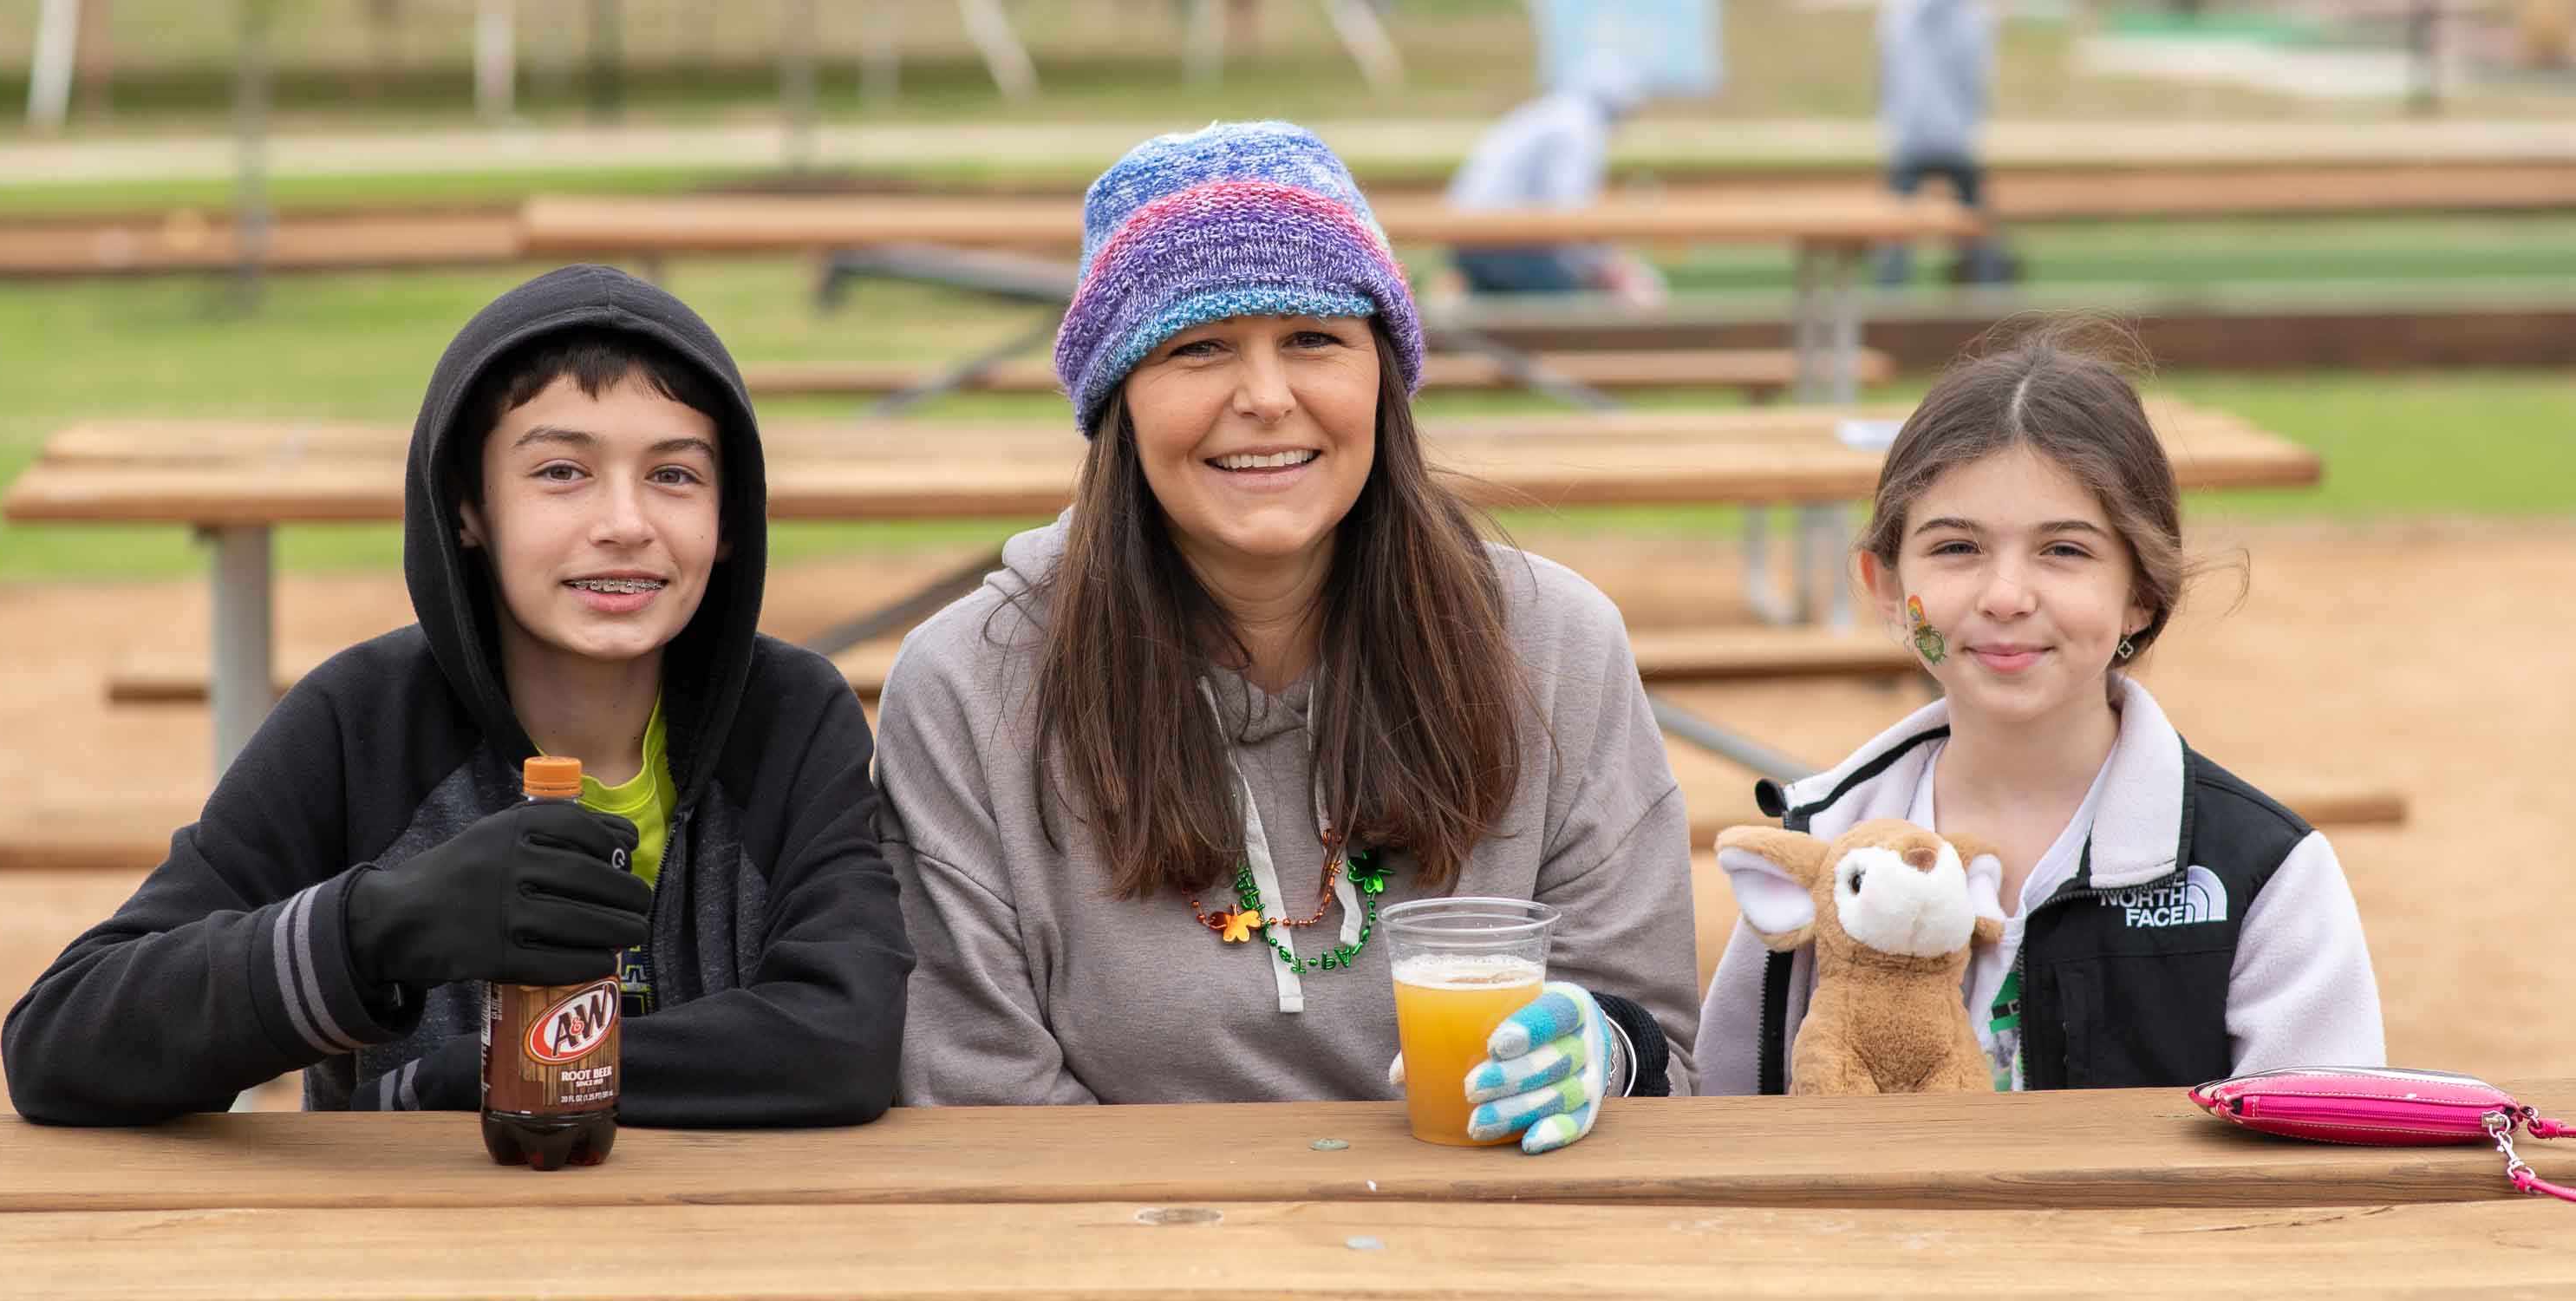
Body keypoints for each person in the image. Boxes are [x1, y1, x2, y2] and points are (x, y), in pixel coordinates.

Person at [877, 121, 1699, 1153]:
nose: (1265, 399)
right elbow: (974, 1089)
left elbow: (1652, 1039)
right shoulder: (968, 685)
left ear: (1382, 378)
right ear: (1117, 400)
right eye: (1198, 347)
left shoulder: (1555, 644)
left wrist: (1603, 1053)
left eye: (1314, 339)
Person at [3, 265, 913, 1126]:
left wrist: (459, 1081)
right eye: (561, 472)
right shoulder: (360, 725)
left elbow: (845, 1035)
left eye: (674, 475)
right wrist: (379, 929)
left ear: (729, 522)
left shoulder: (791, 718)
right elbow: (61, 1040)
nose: (626, 524)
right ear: (468, 508)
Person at [1694, 324, 2383, 1095]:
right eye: (1957, 548)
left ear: (2141, 592)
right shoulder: (1821, 844)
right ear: (1886, 588)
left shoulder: (2263, 873)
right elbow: (1729, 1115)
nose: (2006, 597)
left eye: (2065, 551)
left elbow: (2326, 1171)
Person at [1443, 58, 1666, 305]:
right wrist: (1611, 268)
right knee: (1566, 309)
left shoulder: (1557, 113)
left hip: (1473, 235)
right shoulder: (1577, 125)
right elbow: (1568, 213)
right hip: (1500, 240)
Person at [1875, 0, 2009, 286]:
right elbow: (1976, 81)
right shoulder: (1972, 19)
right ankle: (1991, 299)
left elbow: (1887, 75)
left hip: (1910, 137)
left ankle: (1886, 302)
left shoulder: (1899, 16)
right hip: (1955, 137)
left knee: (1896, 234)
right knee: (1977, 227)